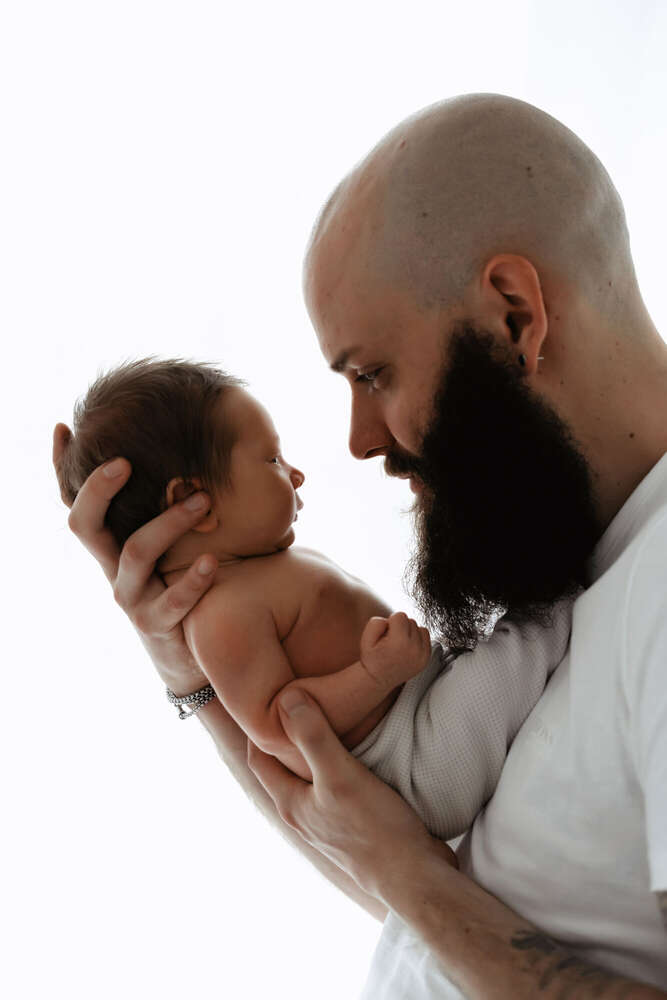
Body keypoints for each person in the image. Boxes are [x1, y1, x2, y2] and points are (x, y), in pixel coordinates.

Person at [54, 92, 667, 997]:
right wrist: (188, 663)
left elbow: (415, 886)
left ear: (512, 316)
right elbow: (429, 904)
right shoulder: (586, 581)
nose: (356, 442)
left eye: (372, 373)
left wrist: (408, 877)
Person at [57, 356, 572, 831]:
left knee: (513, 648)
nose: (295, 473)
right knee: (533, 633)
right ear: (194, 501)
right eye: (273, 459)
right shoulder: (222, 614)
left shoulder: (261, 568)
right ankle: (577, 599)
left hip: (421, 709)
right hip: (408, 763)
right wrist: (375, 674)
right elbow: (279, 731)